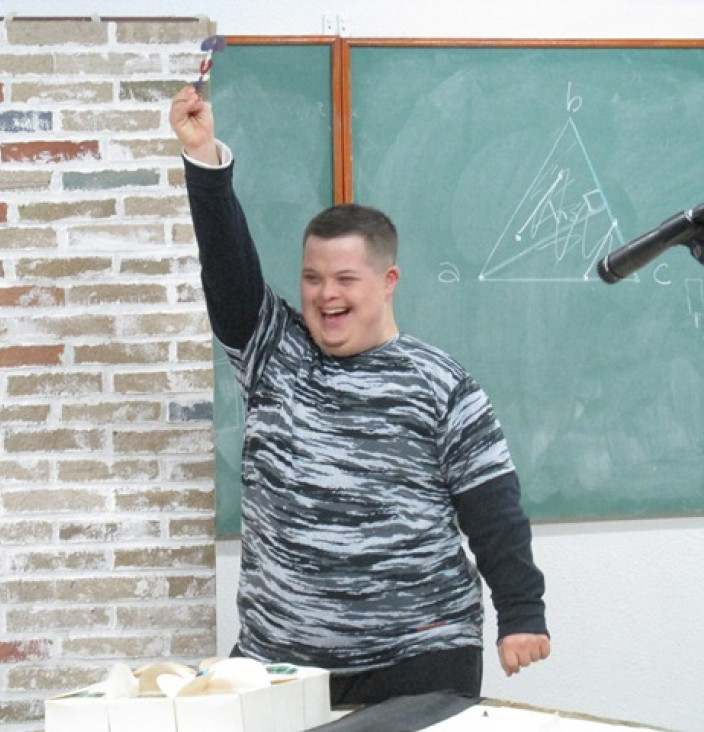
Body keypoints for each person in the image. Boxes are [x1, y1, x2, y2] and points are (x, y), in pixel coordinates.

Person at [169, 85, 550, 706]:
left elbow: (494, 509)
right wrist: (205, 160)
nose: (326, 294)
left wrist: (522, 612)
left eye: (346, 278)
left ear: (387, 281)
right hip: (279, 664)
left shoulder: (441, 383)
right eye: (312, 278)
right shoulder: (273, 351)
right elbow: (227, 267)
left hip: (419, 659)